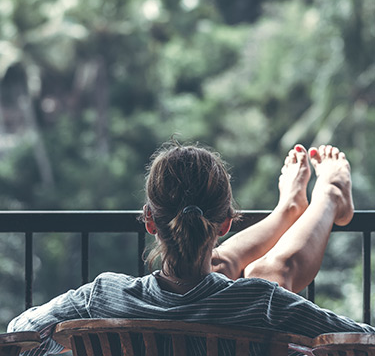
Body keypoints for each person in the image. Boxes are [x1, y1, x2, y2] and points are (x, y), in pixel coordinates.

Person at [8, 142, 374, 356]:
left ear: (150, 221)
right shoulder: (264, 303)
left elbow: (21, 331)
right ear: (227, 224)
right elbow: (363, 341)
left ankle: (292, 209)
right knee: (268, 274)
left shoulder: (101, 298)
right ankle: (322, 197)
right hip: (243, 301)